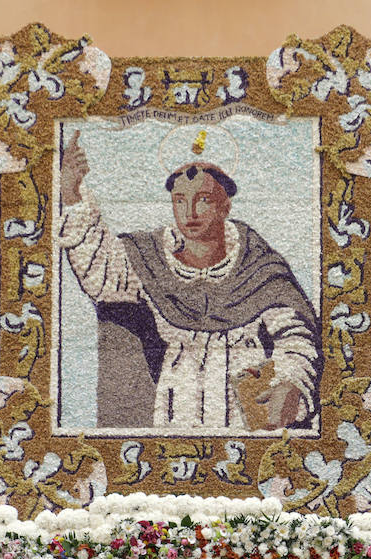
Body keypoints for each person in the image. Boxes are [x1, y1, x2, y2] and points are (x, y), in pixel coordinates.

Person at [57, 130, 321, 431]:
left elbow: (297, 336)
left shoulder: (257, 263)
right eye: (180, 200)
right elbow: (103, 274)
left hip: (247, 413)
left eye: (204, 199)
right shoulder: (151, 257)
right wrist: (73, 194)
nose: (190, 212)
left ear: (225, 206)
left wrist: (290, 383)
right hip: (176, 406)